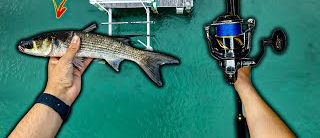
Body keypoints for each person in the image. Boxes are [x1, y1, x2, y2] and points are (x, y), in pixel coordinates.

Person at [9, 36, 295, 137]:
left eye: (33, 46)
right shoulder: (65, 48)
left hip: (68, 85)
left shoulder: (62, 49)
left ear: (52, 45)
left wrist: (57, 93)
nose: (30, 48)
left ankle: (145, 60)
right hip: (100, 55)